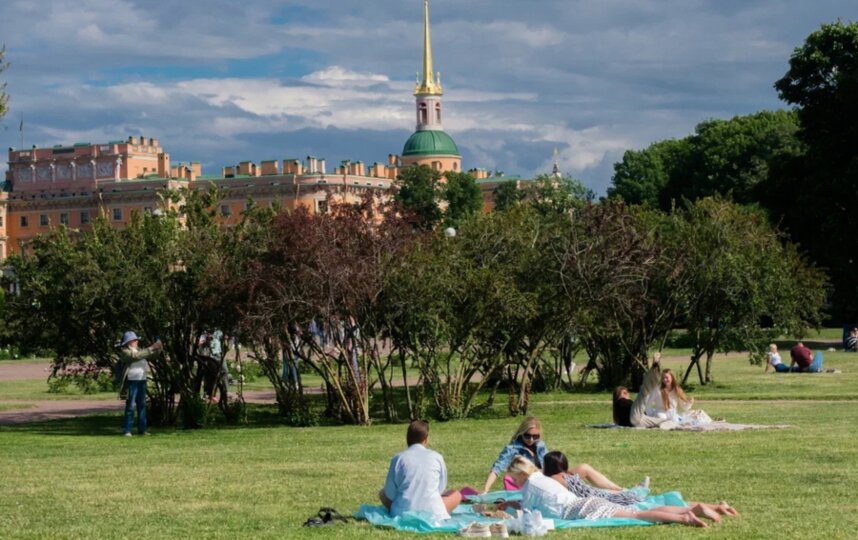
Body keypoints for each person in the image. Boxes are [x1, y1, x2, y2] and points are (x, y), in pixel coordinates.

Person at [507, 456, 737, 527]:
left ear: (520, 475)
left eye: (513, 477)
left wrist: (506, 506)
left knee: (638, 515)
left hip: (582, 508)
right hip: (590, 502)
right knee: (643, 509)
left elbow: (526, 512)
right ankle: (693, 508)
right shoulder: (541, 480)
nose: (513, 482)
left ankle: (685, 517)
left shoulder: (531, 486)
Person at [482, 417, 627, 493]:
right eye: (527, 436)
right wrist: (486, 490)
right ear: (521, 433)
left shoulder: (541, 445)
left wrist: (561, 473)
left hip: (548, 477)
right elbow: (497, 469)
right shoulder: (512, 448)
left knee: (584, 468)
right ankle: (619, 494)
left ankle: (620, 490)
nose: (531, 439)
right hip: (532, 483)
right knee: (580, 489)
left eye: (535, 436)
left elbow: (550, 467)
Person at [379, 420, 462, 521]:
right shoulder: (436, 457)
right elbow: (441, 487)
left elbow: (390, 492)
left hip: (403, 512)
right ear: (425, 439)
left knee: (382, 493)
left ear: (407, 438)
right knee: (456, 495)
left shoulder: (398, 458)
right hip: (432, 512)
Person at [542, 451, 646, 506]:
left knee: (604, 494)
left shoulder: (554, 479)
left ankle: (632, 492)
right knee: (602, 492)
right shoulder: (568, 475)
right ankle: (631, 491)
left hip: (596, 500)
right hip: (598, 495)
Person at [118, 331, 162, 437]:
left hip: (142, 380)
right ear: (129, 342)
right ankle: (127, 430)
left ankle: (142, 429)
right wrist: (152, 347)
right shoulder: (125, 351)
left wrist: (158, 347)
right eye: (135, 340)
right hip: (131, 381)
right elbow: (136, 356)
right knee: (130, 406)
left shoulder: (139, 350)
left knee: (142, 406)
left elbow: (151, 356)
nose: (137, 341)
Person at [643, 368, 712, 426]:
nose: (664, 380)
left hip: (672, 414)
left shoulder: (677, 390)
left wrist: (689, 403)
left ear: (672, 378)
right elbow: (648, 404)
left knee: (681, 419)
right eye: (663, 378)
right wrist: (651, 415)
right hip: (660, 413)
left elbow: (684, 407)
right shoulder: (657, 389)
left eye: (667, 377)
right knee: (662, 419)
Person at [629, 353, 672, 428]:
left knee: (663, 420)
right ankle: (655, 366)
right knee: (645, 390)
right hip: (638, 417)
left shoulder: (651, 388)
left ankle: (655, 366)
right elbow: (648, 405)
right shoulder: (649, 390)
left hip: (642, 419)